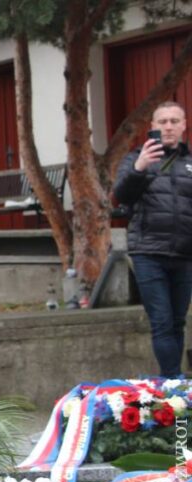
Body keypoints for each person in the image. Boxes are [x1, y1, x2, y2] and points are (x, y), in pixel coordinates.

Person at [114, 101, 192, 378]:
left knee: (178, 322)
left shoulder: (189, 162)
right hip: (148, 251)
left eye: (174, 121)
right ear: (153, 127)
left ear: (184, 125)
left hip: (184, 254)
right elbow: (121, 195)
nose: (168, 127)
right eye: (162, 122)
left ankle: (173, 383)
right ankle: (173, 383)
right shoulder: (137, 157)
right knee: (161, 321)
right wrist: (139, 168)